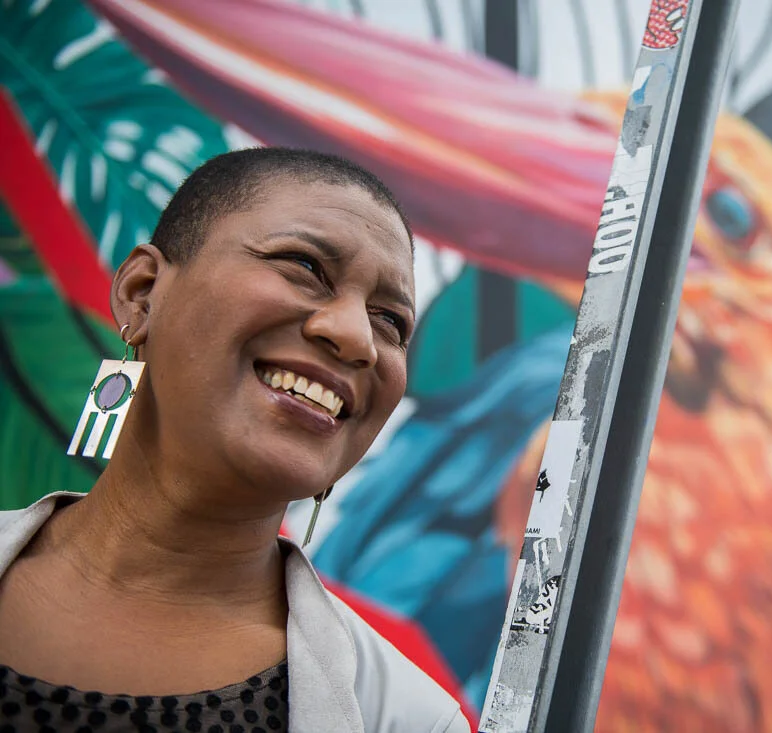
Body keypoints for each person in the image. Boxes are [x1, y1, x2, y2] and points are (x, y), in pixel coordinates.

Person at [0, 148, 471, 733]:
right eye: (305, 267)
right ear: (143, 293)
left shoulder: (414, 721)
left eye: (390, 322)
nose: (357, 338)